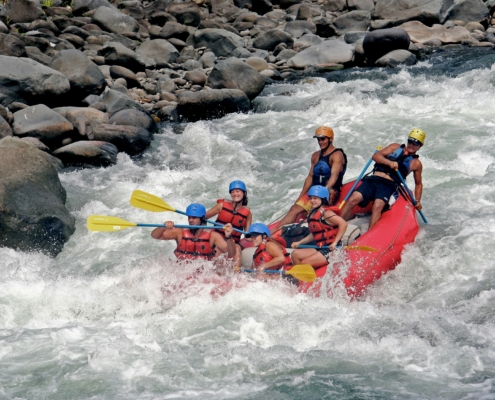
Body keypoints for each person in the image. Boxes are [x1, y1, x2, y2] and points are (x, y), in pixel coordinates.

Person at [341, 128, 425, 229]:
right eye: (410, 141)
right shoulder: (395, 147)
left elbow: (418, 184)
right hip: (374, 179)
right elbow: (376, 156)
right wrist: (389, 163)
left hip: (389, 185)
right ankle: (339, 226)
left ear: (420, 146)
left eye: (416, 143)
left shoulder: (416, 163)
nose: (412, 145)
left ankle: (368, 237)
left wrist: (418, 200)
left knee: (377, 206)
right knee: (353, 199)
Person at [270, 126, 347, 233]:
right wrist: (300, 196)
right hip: (314, 190)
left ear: (330, 139)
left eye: (323, 139)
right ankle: (274, 232)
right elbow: (310, 177)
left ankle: (314, 223)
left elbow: (334, 175)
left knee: (316, 213)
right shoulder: (315, 156)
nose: (320, 142)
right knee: (294, 209)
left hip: (330, 190)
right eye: (318, 139)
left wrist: (324, 192)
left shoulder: (337, 155)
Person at [151, 203, 236, 262]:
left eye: (194, 217)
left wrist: (228, 237)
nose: (190, 220)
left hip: (202, 275)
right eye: (189, 217)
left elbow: (231, 253)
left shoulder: (213, 236)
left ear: (202, 219)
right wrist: (162, 227)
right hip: (182, 271)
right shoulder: (179, 232)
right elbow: (155, 236)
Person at [290, 185, 348, 268]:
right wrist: (299, 243)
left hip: (331, 249)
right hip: (320, 246)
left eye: (315, 198)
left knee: (304, 263)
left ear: (323, 199)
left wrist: (335, 242)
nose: (312, 200)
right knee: (295, 254)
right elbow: (315, 234)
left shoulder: (327, 213)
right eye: (311, 198)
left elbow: (343, 224)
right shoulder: (313, 213)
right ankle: (301, 279)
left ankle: (306, 278)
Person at [206, 180, 252, 270]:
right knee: (219, 248)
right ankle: (213, 272)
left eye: (238, 191)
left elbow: (247, 235)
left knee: (237, 249)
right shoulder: (221, 205)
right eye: (232, 192)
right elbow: (203, 218)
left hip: (233, 241)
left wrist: (260, 238)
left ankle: (235, 274)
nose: (235, 194)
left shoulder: (248, 213)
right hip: (217, 238)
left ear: (244, 193)